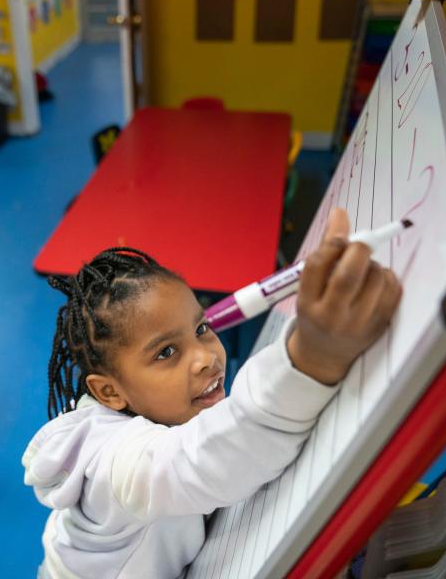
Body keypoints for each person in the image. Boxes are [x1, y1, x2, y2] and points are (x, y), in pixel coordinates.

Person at [23, 208, 402, 578]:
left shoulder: (158, 408)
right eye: (166, 352)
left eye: (201, 328)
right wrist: (312, 357)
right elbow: (199, 460)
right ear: (109, 392)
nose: (205, 358)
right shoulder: (118, 464)